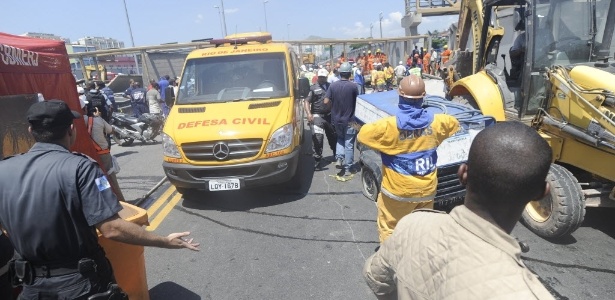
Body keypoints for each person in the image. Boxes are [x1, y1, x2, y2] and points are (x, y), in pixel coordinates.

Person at [0, 100, 199, 300]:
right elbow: (112, 228)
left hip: (31, 287)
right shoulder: (82, 168)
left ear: (30, 130)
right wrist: (164, 241)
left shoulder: (4, 170)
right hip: (81, 286)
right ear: (71, 129)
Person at [363, 121, 555, 300]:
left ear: (463, 174)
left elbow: (375, 278)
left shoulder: (411, 224)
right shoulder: (527, 293)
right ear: (541, 193)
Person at [357, 75, 460, 242]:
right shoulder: (438, 122)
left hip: (398, 193)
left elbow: (363, 135)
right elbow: (454, 124)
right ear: (423, 97)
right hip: (427, 191)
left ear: (400, 96)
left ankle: (391, 262)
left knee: (390, 228)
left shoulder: (388, 126)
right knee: (422, 229)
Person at [84, 104, 126, 202]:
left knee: (99, 178)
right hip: (103, 154)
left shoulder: (78, 121)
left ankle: (107, 201)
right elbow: (110, 130)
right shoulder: (97, 120)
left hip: (89, 156)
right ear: (85, 109)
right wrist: (98, 117)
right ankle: (121, 202)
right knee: (110, 178)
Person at [324, 62, 358, 177]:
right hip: (351, 120)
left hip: (336, 119)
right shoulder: (353, 86)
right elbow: (358, 102)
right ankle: (348, 168)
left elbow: (326, 101)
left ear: (340, 73)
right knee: (349, 143)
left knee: (340, 139)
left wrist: (332, 109)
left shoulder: (333, 86)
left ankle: (339, 159)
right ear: (349, 73)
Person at [304, 68, 336, 170]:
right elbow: (306, 101)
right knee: (318, 138)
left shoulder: (330, 87)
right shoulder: (313, 88)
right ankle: (317, 161)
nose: (322, 79)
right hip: (317, 116)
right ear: (318, 77)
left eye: (324, 77)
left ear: (326, 77)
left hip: (329, 116)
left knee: (333, 136)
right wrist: (309, 114)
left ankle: (337, 155)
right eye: (320, 77)